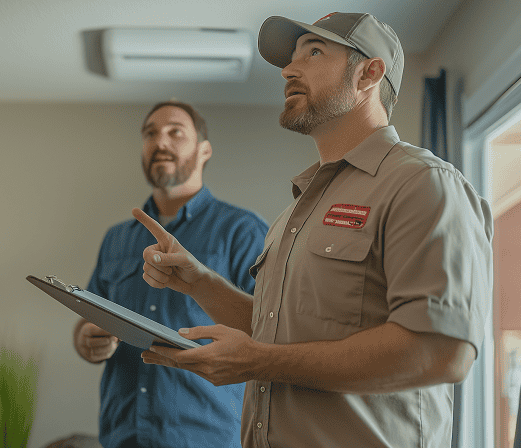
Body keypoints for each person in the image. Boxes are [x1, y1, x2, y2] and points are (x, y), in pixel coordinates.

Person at [133, 12, 493, 448]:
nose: (287, 69)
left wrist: (261, 363)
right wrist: (200, 283)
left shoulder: (423, 183)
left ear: (368, 73)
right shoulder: (296, 211)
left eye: (314, 51)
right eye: (291, 57)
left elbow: (443, 352)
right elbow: (275, 335)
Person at [73, 100, 269, 448]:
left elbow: (270, 328)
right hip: (121, 436)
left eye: (175, 132)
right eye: (150, 133)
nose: (160, 142)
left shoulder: (242, 230)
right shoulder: (116, 238)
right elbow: (89, 315)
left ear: (204, 150)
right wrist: (86, 339)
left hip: (209, 438)